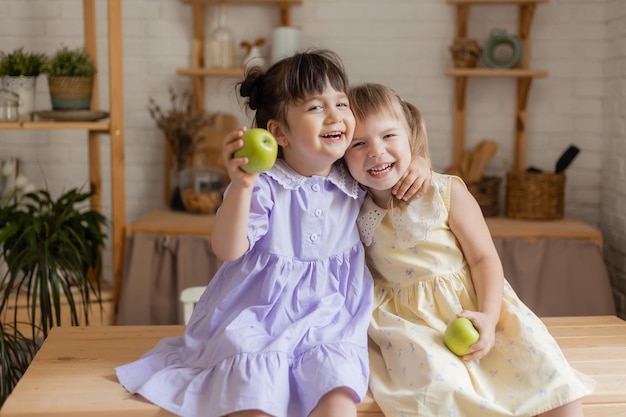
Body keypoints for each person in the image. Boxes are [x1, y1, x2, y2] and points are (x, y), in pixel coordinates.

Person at [116, 51, 431, 417]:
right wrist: (241, 186)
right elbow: (228, 249)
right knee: (255, 399)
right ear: (279, 132)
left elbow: (391, 160)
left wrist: (419, 161)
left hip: (330, 324)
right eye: (315, 107)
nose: (335, 115)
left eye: (341, 103)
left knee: (338, 401)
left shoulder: (354, 172)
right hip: (260, 319)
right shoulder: (264, 185)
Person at [342, 82, 596, 417]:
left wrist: (489, 319)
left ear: (410, 137)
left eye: (389, 136)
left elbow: (483, 258)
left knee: (548, 376)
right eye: (358, 143)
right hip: (409, 325)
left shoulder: (446, 192)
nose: (376, 150)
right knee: (438, 389)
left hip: (472, 304)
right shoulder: (348, 203)